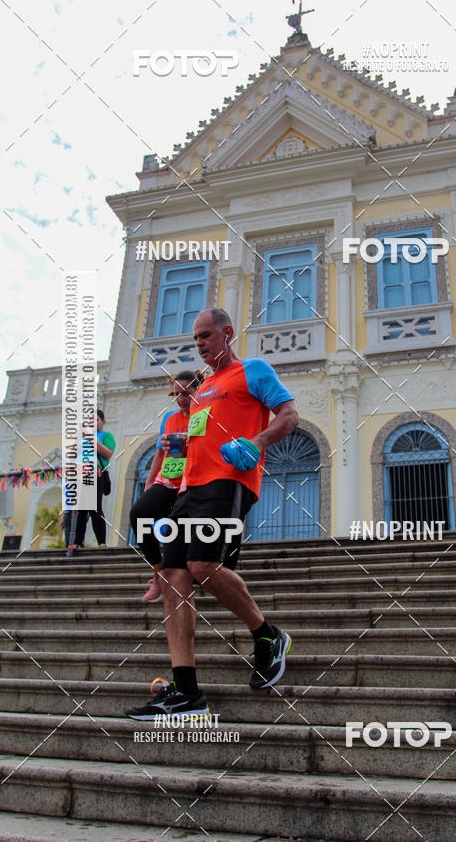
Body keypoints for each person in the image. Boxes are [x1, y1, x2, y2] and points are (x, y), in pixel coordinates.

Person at [125, 308, 299, 720]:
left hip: (229, 482)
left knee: (203, 564)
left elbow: (290, 416)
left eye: (206, 335)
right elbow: (201, 439)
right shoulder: (201, 389)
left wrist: (256, 443)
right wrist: (181, 447)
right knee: (174, 576)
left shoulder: (252, 371)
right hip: (189, 489)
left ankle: (268, 636)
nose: (200, 343)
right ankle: (186, 692)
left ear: (227, 332)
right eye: (195, 338)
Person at [130, 370, 202, 601]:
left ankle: (192, 573)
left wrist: (188, 445)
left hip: (192, 481)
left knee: (180, 530)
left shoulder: (205, 414)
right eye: (177, 394)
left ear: (198, 392)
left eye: (187, 394)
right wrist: (151, 481)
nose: (181, 399)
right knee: (139, 514)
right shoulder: (170, 418)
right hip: (167, 479)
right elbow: (160, 452)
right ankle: (159, 573)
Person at [65, 410, 115, 555]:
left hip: (95, 473)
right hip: (78, 475)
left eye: (96, 420)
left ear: (103, 421)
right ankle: (77, 542)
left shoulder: (106, 436)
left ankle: (101, 543)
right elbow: (72, 456)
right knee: (80, 510)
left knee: (95, 509)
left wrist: (92, 439)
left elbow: (107, 453)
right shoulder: (81, 439)